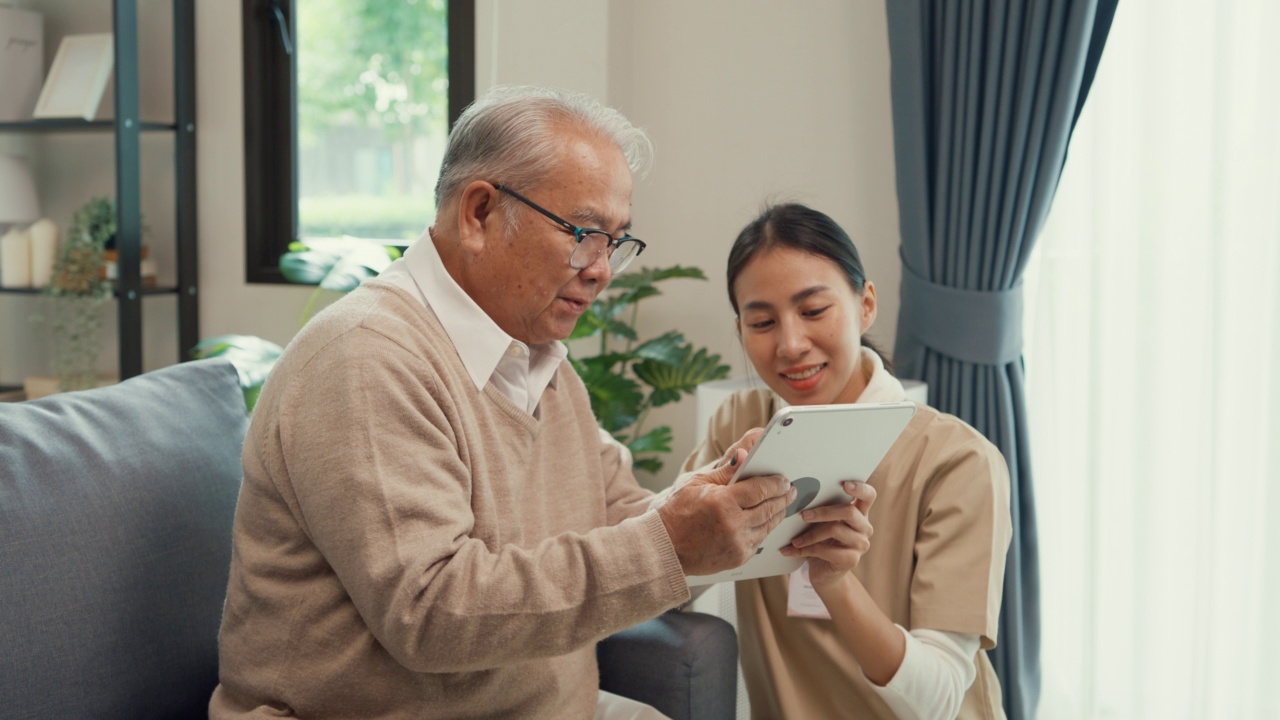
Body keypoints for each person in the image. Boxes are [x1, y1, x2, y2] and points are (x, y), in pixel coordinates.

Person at [209, 86, 797, 720]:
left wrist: (750, 515)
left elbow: (628, 521)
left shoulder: (538, 357)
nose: (600, 268)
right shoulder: (365, 358)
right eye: (584, 234)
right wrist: (672, 544)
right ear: (479, 213)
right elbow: (431, 612)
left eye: (615, 242)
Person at [681, 203, 1013, 720]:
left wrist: (835, 584)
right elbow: (669, 576)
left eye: (813, 311)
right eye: (763, 321)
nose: (790, 345)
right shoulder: (739, 423)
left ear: (865, 304)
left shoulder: (955, 461)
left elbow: (944, 698)